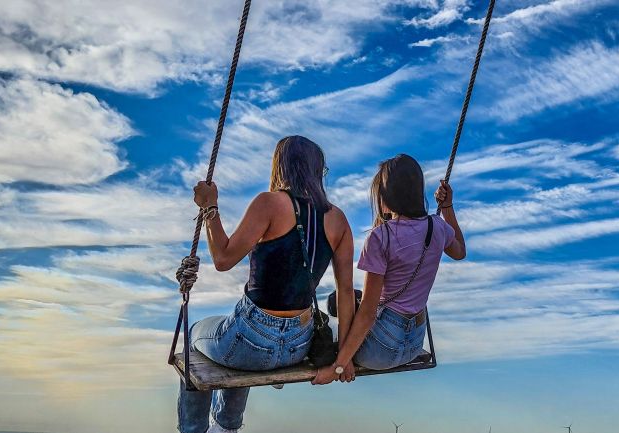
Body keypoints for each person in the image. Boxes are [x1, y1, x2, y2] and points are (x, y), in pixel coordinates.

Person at [179, 136, 355, 433]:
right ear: (316, 171)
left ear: (280, 166)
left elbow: (222, 259)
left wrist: (210, 209)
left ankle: (193, 430)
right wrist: (343, 358)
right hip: (298, 345)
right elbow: (346, 293)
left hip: (250, 338)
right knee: (235, 341)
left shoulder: (270, 203)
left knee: (196, 335)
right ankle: (226, 427)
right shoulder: (338, 219)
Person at [312, 154, 466, 385]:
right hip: (413, 345)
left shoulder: (381, 237)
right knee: (357, 298)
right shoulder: (438, 228)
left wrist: (340, 365)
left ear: (386, 193)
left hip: (380, 351)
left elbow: (368, 312)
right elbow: (460, 251)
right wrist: (447, 208)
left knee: (339, 301)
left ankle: (343, 354)